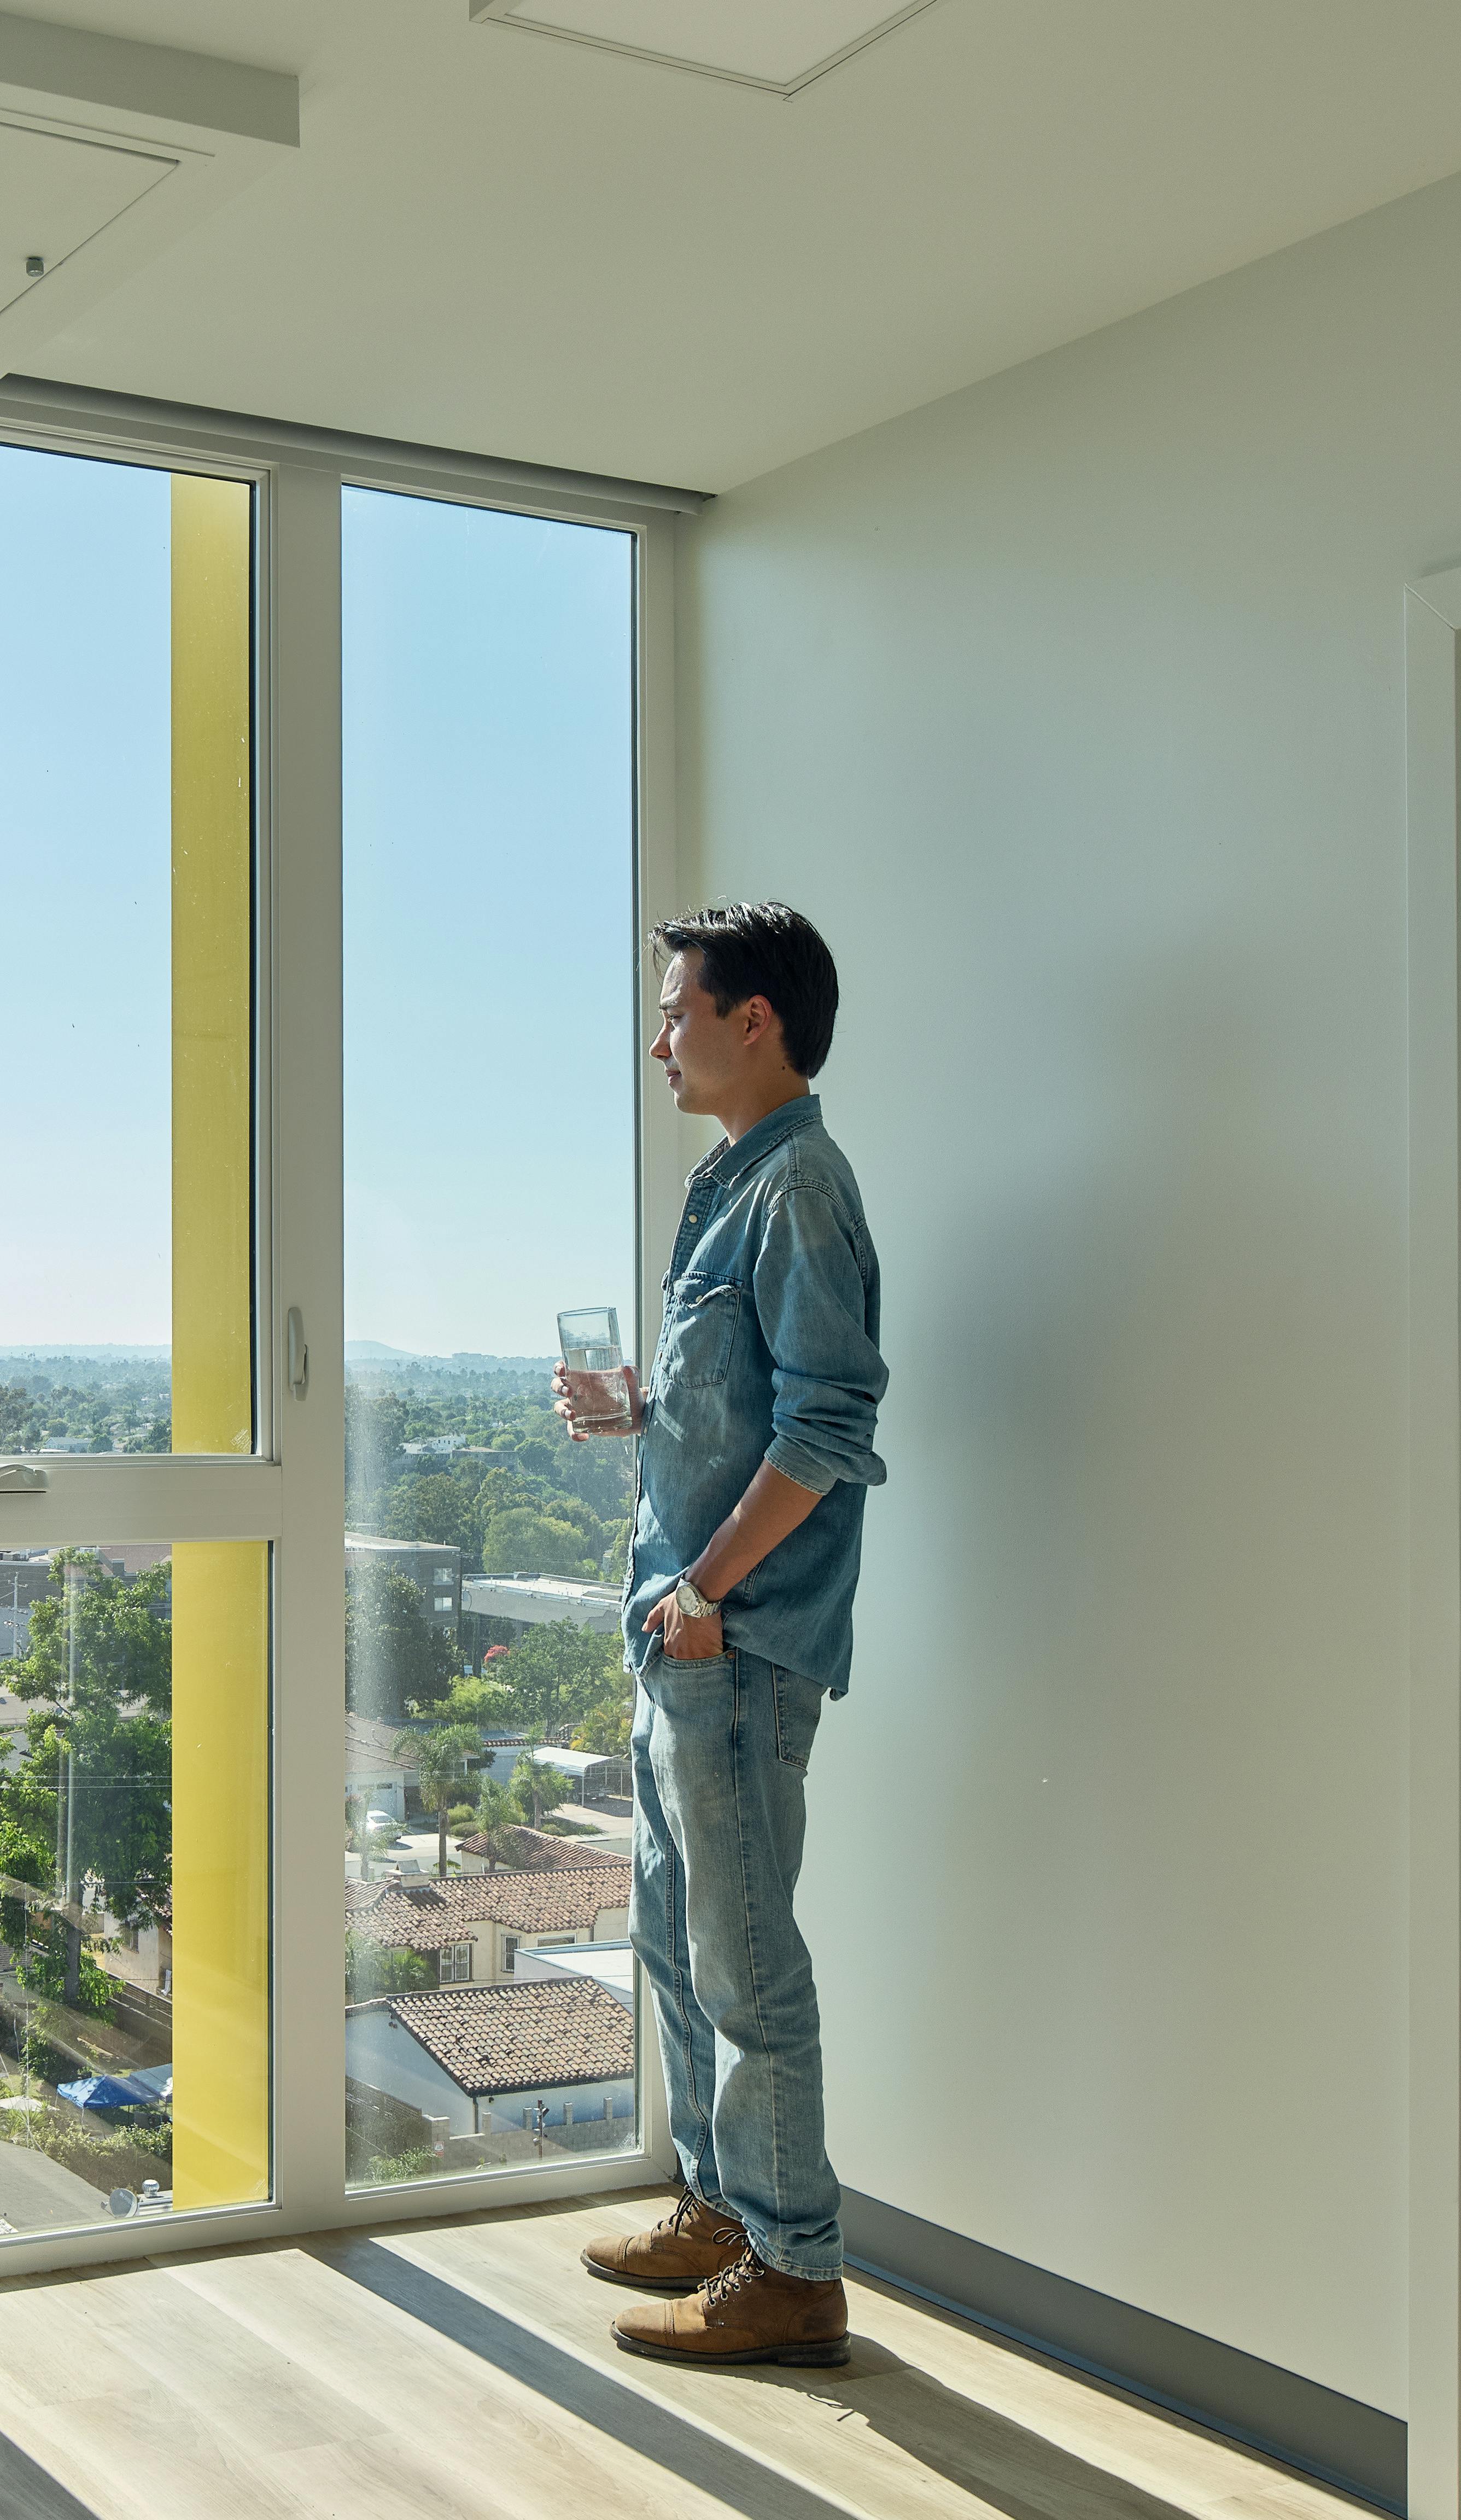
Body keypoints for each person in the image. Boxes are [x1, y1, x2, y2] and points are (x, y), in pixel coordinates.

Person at [552, 900, 887, 2370]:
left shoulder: (802, 1184)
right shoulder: (734, 1181)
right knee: (677, 1945)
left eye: (678, 1012)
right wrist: (642, 1406)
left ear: (756, 1021)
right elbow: (744, 1401)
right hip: (679, 1636)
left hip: (731, 1645)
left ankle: (794, 2269)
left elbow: (830, 1425)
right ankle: (718, 2209)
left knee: (748, 1963)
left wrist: (706, 1593)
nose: (658, 1040)